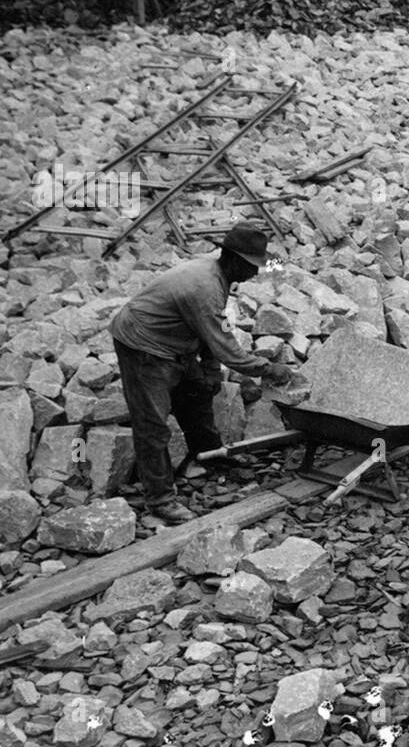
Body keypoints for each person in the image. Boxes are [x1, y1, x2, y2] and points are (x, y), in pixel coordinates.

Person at [109, 224, 293, 525]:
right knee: (152, 423)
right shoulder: (205, 288)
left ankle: (210, 455)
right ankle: (160, 498)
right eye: (253, 267)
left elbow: (209, 331)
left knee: (198, 391)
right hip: (143, 344)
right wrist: (269, 370)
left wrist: (208, 369)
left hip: (174, 341)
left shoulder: (217, 274)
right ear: (235, 260)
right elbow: (227, 349)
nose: (256, 274)